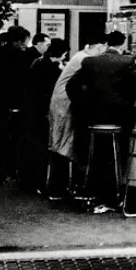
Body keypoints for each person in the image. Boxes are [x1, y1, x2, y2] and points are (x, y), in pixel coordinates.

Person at [69, 31, 136, 213]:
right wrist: (128, 96)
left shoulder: (90, 62)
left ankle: (94, 193)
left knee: (98, 154)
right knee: (118, 152)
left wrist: (84, 105)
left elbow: (71, 86)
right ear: (122, 46)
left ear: (106, 45)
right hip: (119, 117)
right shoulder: (126, 61)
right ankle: (117, 195)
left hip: (93, 119)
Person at [48, 34, 108, 199]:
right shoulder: (85, 60)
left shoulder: (79, 56)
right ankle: (58, 188)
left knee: (60, 142)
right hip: (65, 102)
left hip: (61, 100)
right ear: (101, 47)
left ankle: (59, 187)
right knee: (64, 143)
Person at [19, 39, 68, 193]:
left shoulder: (38, 62)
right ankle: (41, 182)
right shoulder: (54, 69)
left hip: (31, 109)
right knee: (42, 146)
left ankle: (29, 180)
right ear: (62, 54)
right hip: (43, 110)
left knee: (33, 145)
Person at [0, 25, 34, 183]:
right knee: (13, 138)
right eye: (24, 43)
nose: (25, 46)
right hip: (12, 102)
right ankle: (10, 171)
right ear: (18, 41)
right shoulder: (19, 57)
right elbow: (21, 81)